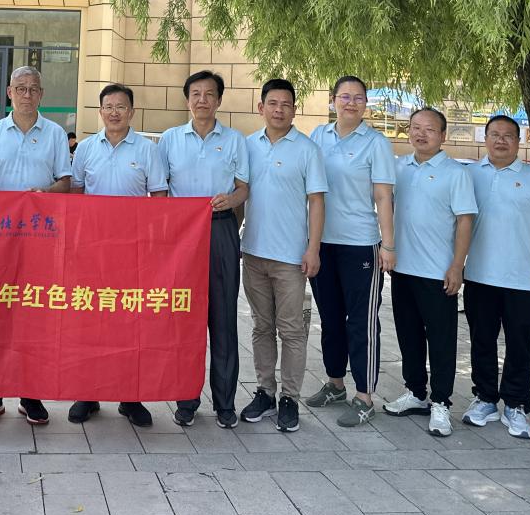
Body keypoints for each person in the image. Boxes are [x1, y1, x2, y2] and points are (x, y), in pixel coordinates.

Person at [0, 66, 73, 427]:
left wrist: (45, 194)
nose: (27, 94)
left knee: (35, 314)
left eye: (33, 89)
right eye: (20, 88)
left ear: (41, 94)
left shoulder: (55, 134)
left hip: (41, 239)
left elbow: (65, 181)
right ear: (9, 93)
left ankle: (30, 393)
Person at [68, 83, 169, 427]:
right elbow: (76, 196)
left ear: (132, 112)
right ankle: (88, 393)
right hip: (93, 252)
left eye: (121, 107)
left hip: (133, 252)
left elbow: (159, 199)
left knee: (131, 323)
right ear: (100, 111)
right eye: (108, 107)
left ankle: (131, 396)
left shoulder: (147, 149)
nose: (114, 113)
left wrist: (154, 245)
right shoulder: (85, 149)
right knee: (91, 322)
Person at [462, 114, 530, 440]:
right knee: (482, 340)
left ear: (519, 142)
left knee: (520, 344)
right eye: (494, 134)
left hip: (522, 279)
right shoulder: (469, 175)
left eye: (508, 135)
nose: (501, 140)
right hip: (478, 276)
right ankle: (486, 398)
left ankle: (516, 403)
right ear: (485, 138)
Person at [159, 70, 249, 429]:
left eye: (209, 94)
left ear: (219, 100)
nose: (202, 100)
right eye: (195, 93)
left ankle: (225, 403)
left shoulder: (235, 140)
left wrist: (232, 200)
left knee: (223, 319)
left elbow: (243, 188)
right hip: (182, 236)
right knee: (184, 319)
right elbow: (160, 189)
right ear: (187, 100)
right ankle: (186, 400)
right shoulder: (169, 139)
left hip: (221, 230)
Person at [307, 74, 397, 428]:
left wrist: (388, 244)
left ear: (366, 104)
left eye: (358, 97)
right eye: (344, 96)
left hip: (360, 244)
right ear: (333, 100)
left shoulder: (376, 143)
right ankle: (335, 383)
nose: (351, 103)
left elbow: (383, 196)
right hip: (322, 243)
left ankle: (364, 396)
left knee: (361, 323)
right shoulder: (318, 136)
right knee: (330, 319)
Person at [382, 107, 477, 438]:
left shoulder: (456, 173)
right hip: (402, 269)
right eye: (415, 127)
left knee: (441, 340)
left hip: (438, 272)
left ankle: (441, 402)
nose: (421, 134)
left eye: (429, 129)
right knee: (408, 335)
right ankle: (416, 392)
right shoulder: (399, 168)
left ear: (443, 136)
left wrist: (457, 266)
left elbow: (465, 221)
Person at [240, 79, 327, 434]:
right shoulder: (247, 146)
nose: (279, 110)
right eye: (272, 103)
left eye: (286, 104)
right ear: (261, 107)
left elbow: (316, 201)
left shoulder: (307, 149)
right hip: (253, 253)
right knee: (261, 326)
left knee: (291, 330)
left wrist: (313, 248)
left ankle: (290, 397)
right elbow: (238, 194)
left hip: (291, 257)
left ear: (294, 109)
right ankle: (265, 392)